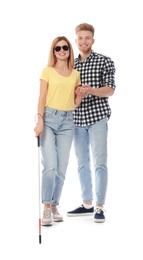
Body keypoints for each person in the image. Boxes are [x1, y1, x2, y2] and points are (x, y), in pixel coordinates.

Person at [34, 36, 86, 226]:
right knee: (50, 165)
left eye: (65, 47)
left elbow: (74, 103)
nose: (62, 50)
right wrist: (39, 121)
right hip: (48, 119)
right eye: (58, 48)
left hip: (67, 121)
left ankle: (55, 204)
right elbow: (41, 98)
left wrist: (80, 94)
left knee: (62, 169)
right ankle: (46, 207)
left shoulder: (75, 74)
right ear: (53, 51)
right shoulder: (47, 71)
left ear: (69, 50)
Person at [67, 23, 116, 223]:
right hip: (77, 119)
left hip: (97, 117)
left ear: (92, 40)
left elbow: (110, 89)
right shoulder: (71, 66)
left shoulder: (105, 61)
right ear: (76, 40)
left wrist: (91, 90)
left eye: (87, 38)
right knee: (82, 163)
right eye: (80, 38)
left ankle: (100, 206)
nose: (83, 41)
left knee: (100, 162)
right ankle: (87, 203)